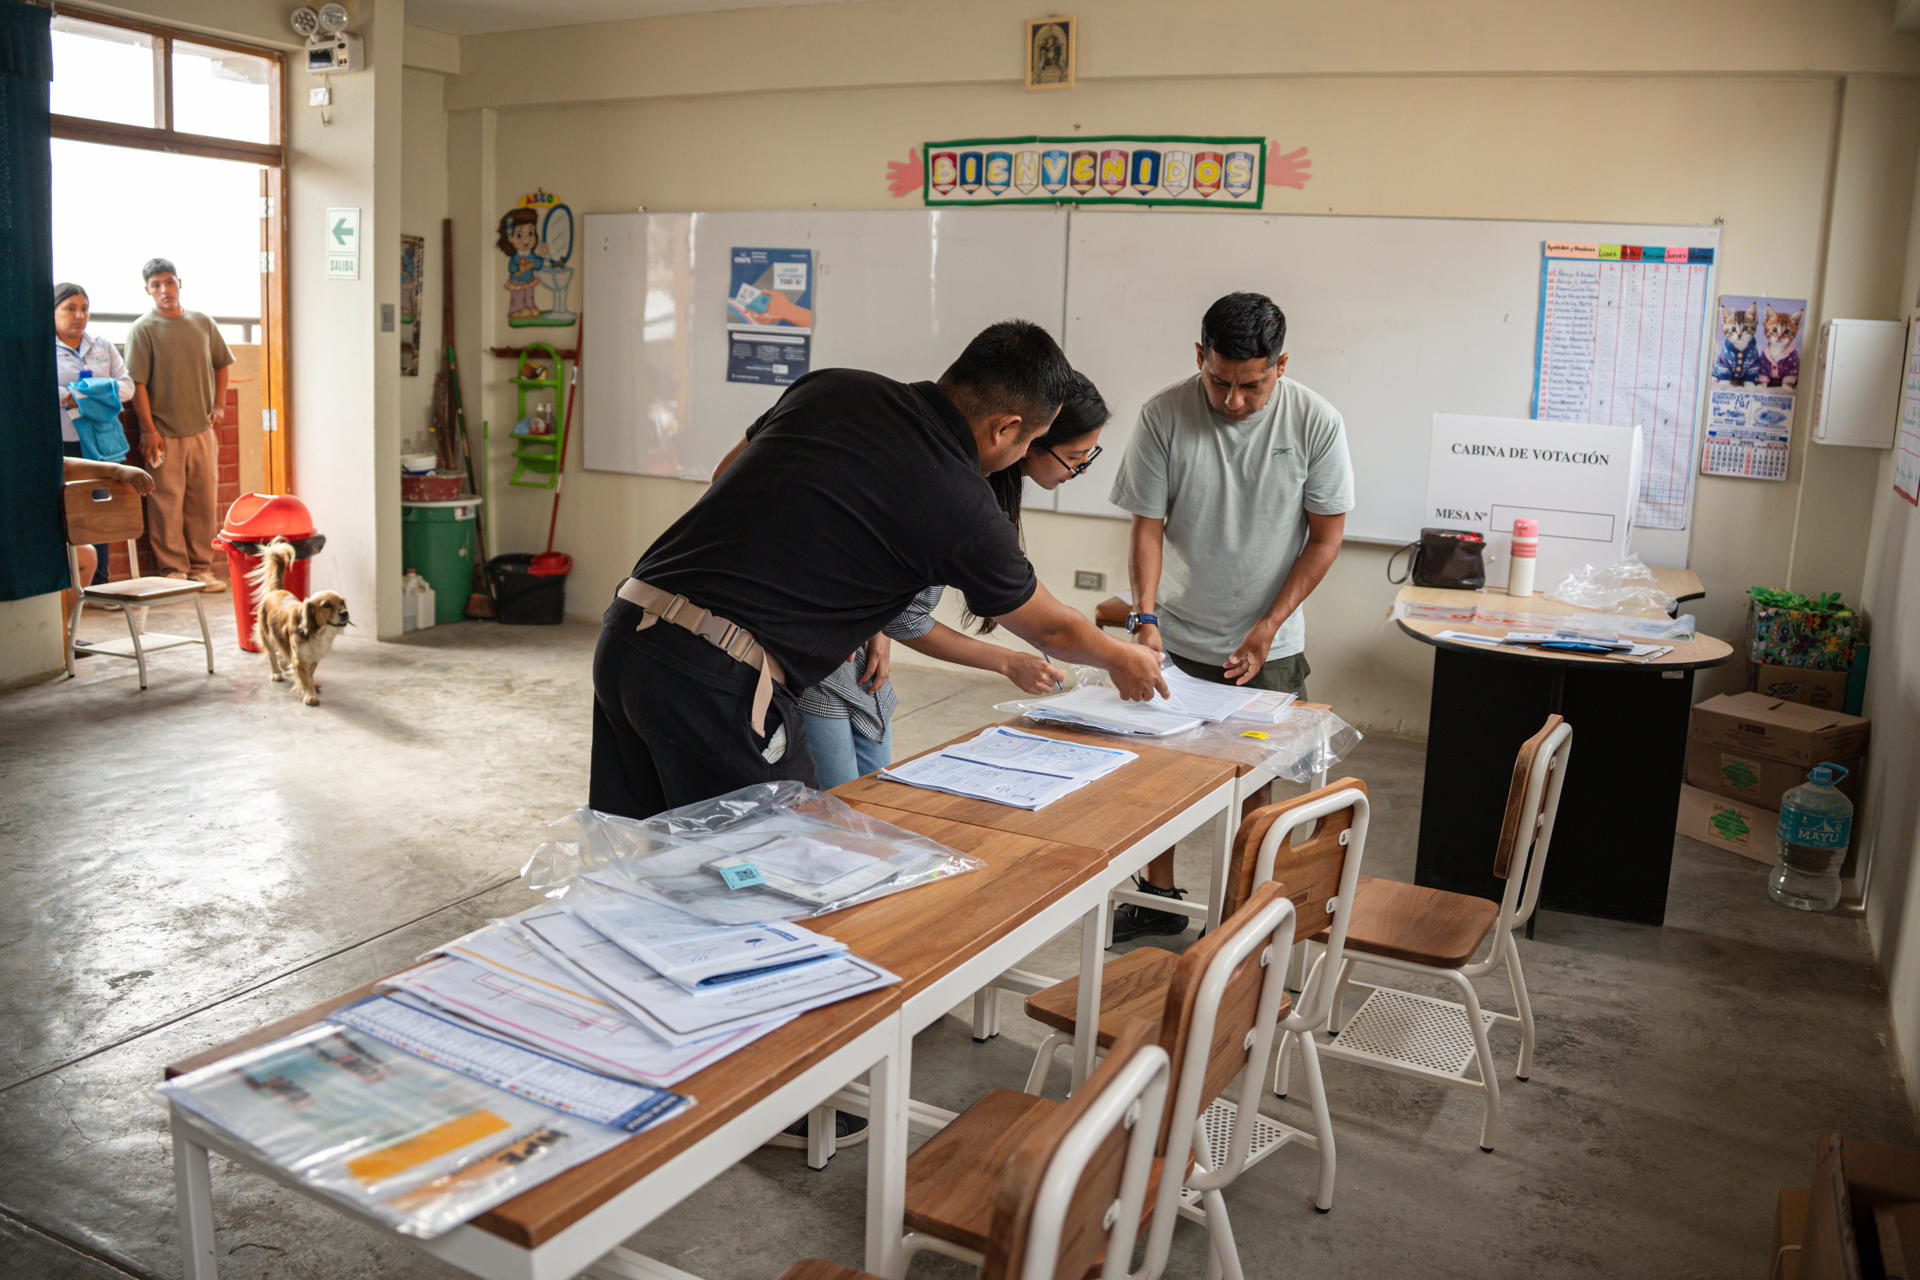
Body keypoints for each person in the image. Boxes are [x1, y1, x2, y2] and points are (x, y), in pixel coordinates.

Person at [589, 320, 1166, 822]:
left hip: (628, 630)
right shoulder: (959, 499)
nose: (1024, 456)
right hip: (719, 680)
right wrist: (1124, 657)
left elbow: (725, 476)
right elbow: (1054, 630)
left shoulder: (834, 385)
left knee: (647, 857)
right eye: (1033, 441)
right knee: (761, 875)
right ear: (1005, 427)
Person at [1105, 291, 1354, 942]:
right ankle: (1157, 897)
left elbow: (1326, 539)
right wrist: (1145, 619)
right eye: (1219, 381)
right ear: (1199, 358)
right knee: (1156, 774)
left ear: (1281, 365)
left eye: (1252, 385)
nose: (1233, 401)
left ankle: (1244, 910)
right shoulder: (1164, 415)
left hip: (1267, 642)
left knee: (1255, 783)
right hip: (1176, 632)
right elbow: (1147, 530)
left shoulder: (1315, 422)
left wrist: (1269, 624)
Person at [794, 371, 1111, 789]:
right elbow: (910, 618)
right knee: (837, 806)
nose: (1081, 469)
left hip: (858, 657)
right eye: (1075, 457)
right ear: (1027, 438)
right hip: (818, 655)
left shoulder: (980, 485)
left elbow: (897, 604)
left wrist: (878, 622)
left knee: (870, 791)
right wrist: (1011, 660)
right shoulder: (950, 489)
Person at [126, 258, 234, 592]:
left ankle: (202, 568)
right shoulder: (142, 330)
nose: (164, 290)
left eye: (169, 282)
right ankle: (172, 572)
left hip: (202, 431)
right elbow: (137, 384)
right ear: (147, 290)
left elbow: (221, 364)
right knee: (165, 504)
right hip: (163, 434)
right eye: (156, 285)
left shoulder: (202, 322)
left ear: (179, 283)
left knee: (203, 501)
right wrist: (148, 429)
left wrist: (219, 405)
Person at [54, 282, 134, 587]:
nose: (79, 315)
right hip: (63, 441)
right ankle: (70, 586)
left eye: (84, 308)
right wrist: (71, 395)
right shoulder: (43, 348)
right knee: (66, 511)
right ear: (53, 312)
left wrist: (87, 394)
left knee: (98, 509)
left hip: (100, 444)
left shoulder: (101, 345)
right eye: (70, 308)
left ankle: (101, 583)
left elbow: (125, 387)